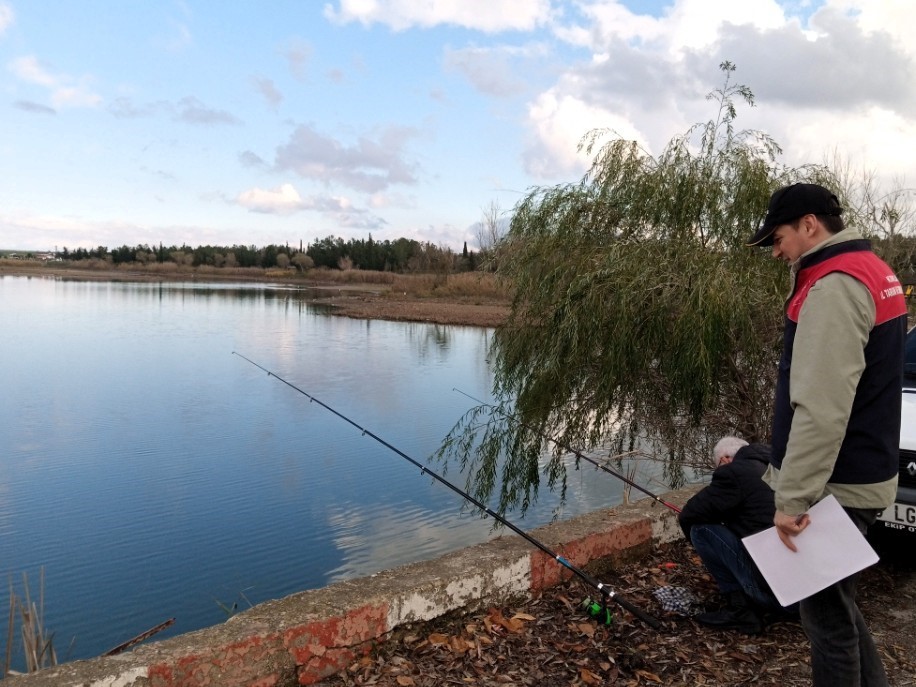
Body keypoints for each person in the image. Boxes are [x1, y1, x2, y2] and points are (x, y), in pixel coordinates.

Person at [748, 182, 906, 686]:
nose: (777, 252)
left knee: (827, 628)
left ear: (809, 225)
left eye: (778, 238)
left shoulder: (834, 284)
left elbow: (820, 406)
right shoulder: (875, 270)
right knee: (841, 609)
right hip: (864, 468)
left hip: (834, 485)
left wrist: (793, 497)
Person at [679, 436, 785, 634]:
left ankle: (740, 611)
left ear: (726, 459)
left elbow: (690, 514)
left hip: (774, 596)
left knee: (701, 530)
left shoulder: (733, 473)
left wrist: (702, 547)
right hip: (808, 594)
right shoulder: (776, 465)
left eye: (717, 465)